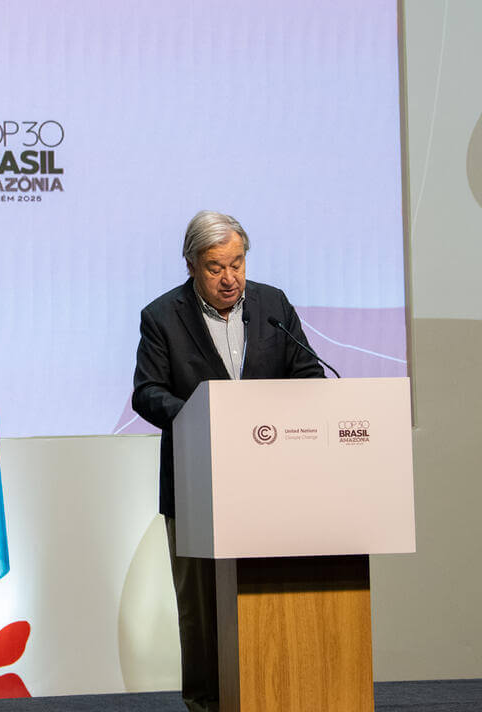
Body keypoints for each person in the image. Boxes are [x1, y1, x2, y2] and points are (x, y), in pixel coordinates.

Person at [132, 210, 325, 712]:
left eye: (237, 263)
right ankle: (207, 703)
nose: (229, 278)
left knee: (270, 593)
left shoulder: (273, 305)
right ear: (193, 265)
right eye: (216, 267)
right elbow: (147, 393)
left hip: (273, 481)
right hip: (198, 485)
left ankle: (274, 692)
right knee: (200, 608)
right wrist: (202, 415)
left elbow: (307, 374)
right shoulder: (161, 317)